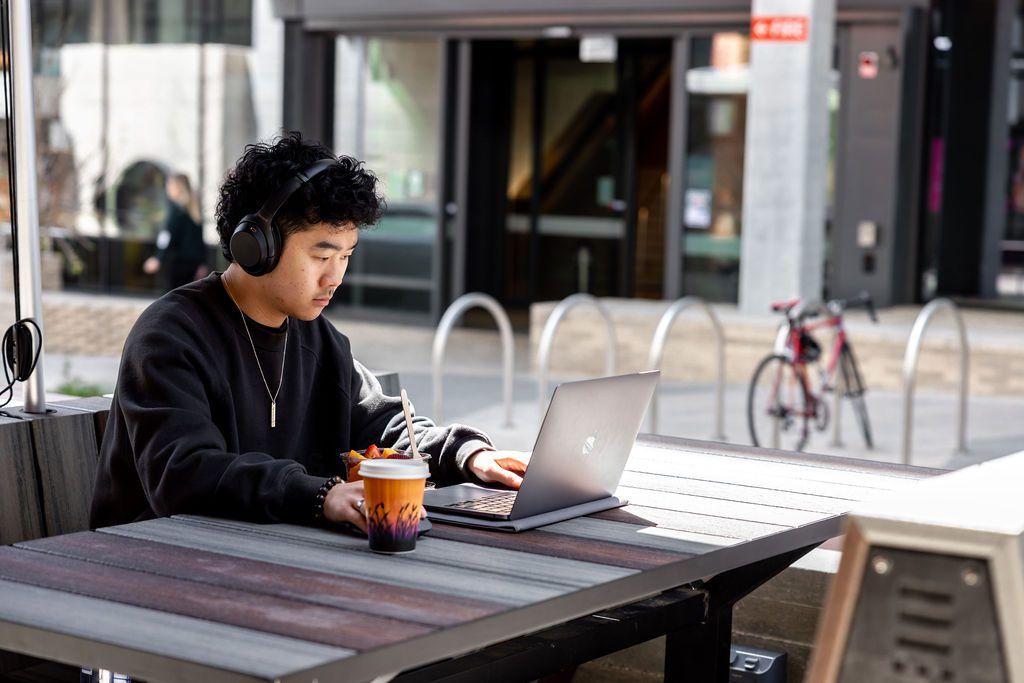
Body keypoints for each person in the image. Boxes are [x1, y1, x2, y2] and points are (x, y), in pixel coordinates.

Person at [91, 132, 528, 532]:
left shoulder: (318, 339)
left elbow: (382, 421)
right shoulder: (171, 335)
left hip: (268, 562)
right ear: (257, 245)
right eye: (322, 256)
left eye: (346, 256)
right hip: (158, 566)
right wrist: (319, 495)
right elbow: (184, 473)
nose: (335, 277)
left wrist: (469, 456)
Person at [142, 173, 209, 291]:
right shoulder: (194, 209)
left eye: (168, 185)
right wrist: (202, 263)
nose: (167, 189)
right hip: (192, 264)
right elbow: (199, 241)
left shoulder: (176, 210)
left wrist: (158, 258)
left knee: (172, 299)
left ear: (176, 188)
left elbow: (167, 235)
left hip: (177, 263)